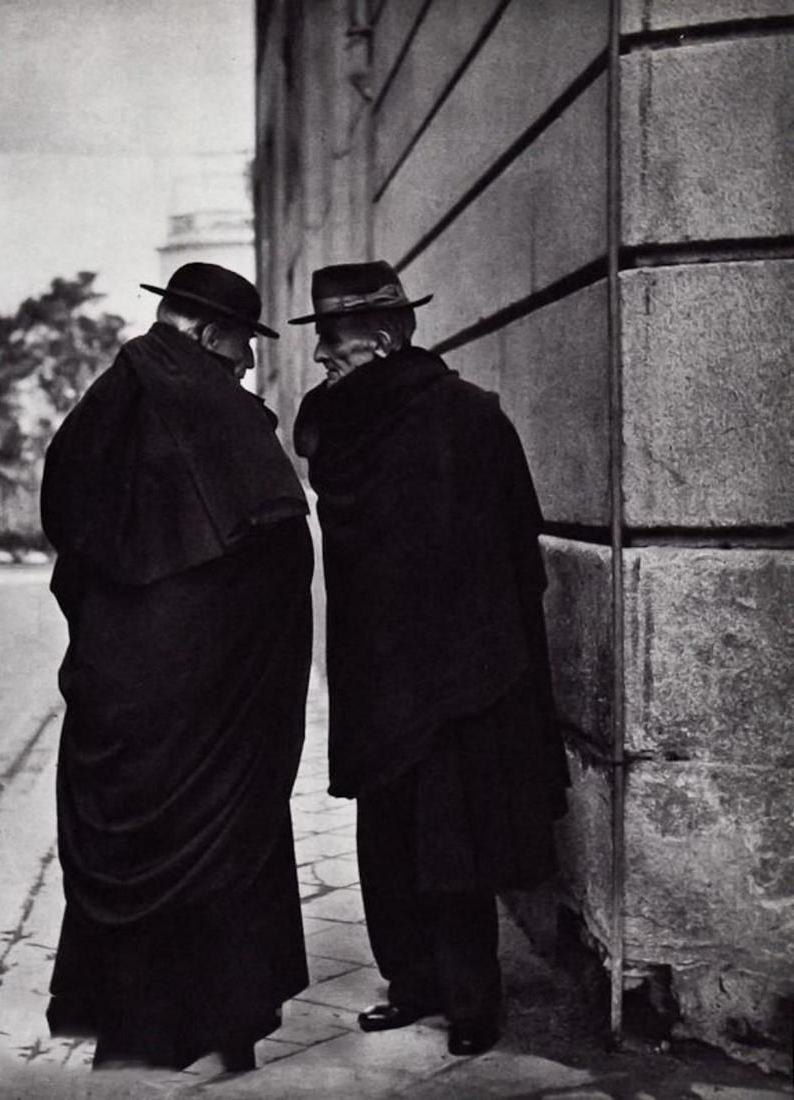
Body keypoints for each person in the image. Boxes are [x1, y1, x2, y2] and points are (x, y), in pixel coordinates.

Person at [291, 260, 569, 1058]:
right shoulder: (342, 429)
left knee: (454, 838)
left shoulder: (469, 417)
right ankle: (411, 983)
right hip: (378, 665)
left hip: (458, 672)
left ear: (381, 339)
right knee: (387, 835)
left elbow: (520, 547)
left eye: (333, 341)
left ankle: (471, 999)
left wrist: (492, 654)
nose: (320, 358)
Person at [41, 263, 313, 1072]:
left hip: (119, 684)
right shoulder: (213, 407)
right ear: (201, 333)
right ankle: (222, 1027)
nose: (247, 368)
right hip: (212, 693)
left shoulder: (106, 399)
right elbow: (274, 549)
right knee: (224, 845)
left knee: (130, 842)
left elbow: (71, 533)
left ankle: (131, 1030)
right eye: (239, 348)